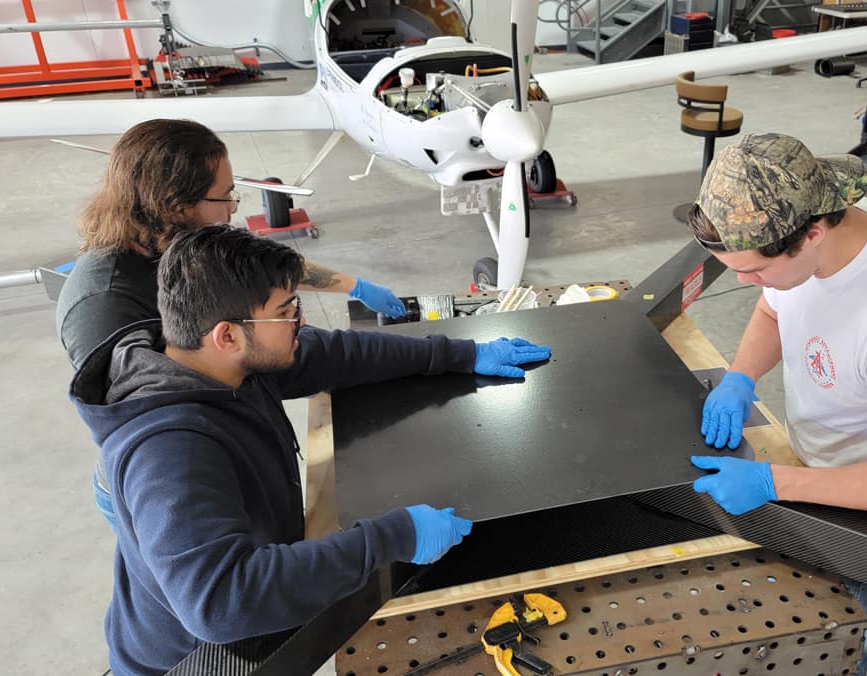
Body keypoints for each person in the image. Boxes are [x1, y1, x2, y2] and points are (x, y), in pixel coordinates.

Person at [69, 225, 551, 675]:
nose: (299, 322)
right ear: (228, 334)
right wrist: (392, 537)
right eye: (284, 312)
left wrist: (458, 354)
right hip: (198, 660)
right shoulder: (168, 451)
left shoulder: (217, 360)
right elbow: (221, 603)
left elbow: (335, 354)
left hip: (241, 620)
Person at [683, 133, 867, 676]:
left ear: (812, 233)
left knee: (829, 648)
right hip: (814, 466)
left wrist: (772, 484)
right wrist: (739, 376)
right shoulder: (807, 232)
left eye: (755, 270)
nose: (746, 283)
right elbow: (774, 311)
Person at [56, 118, 406, 526]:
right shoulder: (102, 304)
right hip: (180, 489)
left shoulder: (180, 239)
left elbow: (256, 271)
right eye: (223, 199)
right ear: (173, 205)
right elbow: (152, 431)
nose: (232, 211)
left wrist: (353, 285)